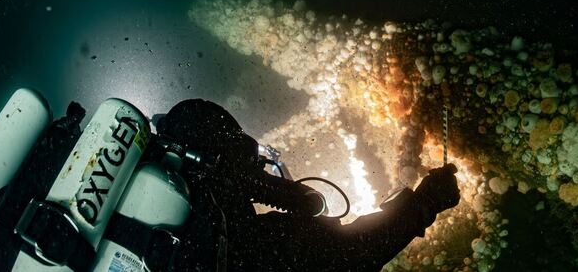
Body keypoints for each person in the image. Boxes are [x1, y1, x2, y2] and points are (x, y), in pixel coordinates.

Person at [156, 99, 460, 272]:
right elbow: (354, 252)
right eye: (245, 157)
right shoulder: (241, 247)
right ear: (214, 159)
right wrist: (426, 203)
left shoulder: (174, 234)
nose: (257, 169)